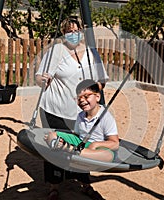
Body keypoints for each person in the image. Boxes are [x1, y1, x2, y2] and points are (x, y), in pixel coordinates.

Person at [35, 17, 109, 200]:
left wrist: (93, 92)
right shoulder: (56, 51)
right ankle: (54, 186)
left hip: (82, 111)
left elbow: (102, 80)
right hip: (55, 110)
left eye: (76, 31)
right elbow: (39, 78)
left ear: (82, 31)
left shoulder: (92, 53)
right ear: (64, 33)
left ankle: (84, 183)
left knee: (81, 146)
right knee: (56, 147)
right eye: (69, 31)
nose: (73, 34)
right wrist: (42, 80)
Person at [44, 79, 119, 162]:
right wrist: (62, 138)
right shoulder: (80, 115)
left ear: (97, 97)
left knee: (107, 155)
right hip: (81, 143)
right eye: (79, 98)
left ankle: (70, 149)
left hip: (98, 148)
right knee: (52, 135)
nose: (82, 100)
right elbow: (76, 135)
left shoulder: (106, 117)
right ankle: (68, 148)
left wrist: (95, 144)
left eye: (86, 96)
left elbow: (115, 143)